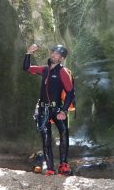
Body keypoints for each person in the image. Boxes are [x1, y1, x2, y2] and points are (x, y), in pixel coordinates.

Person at [23, 43, 75, 176]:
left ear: (61, 58)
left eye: (57, 54)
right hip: (43, 110)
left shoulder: (62, 72)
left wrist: (64, 111)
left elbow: (70, 93)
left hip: (57, 109)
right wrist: (28, 53)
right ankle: (50, 168)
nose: (54, 55)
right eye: (53, 52)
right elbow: (27, 68)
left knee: (64, 135)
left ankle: (63, 165)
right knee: (46, 139)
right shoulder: (45, 69)